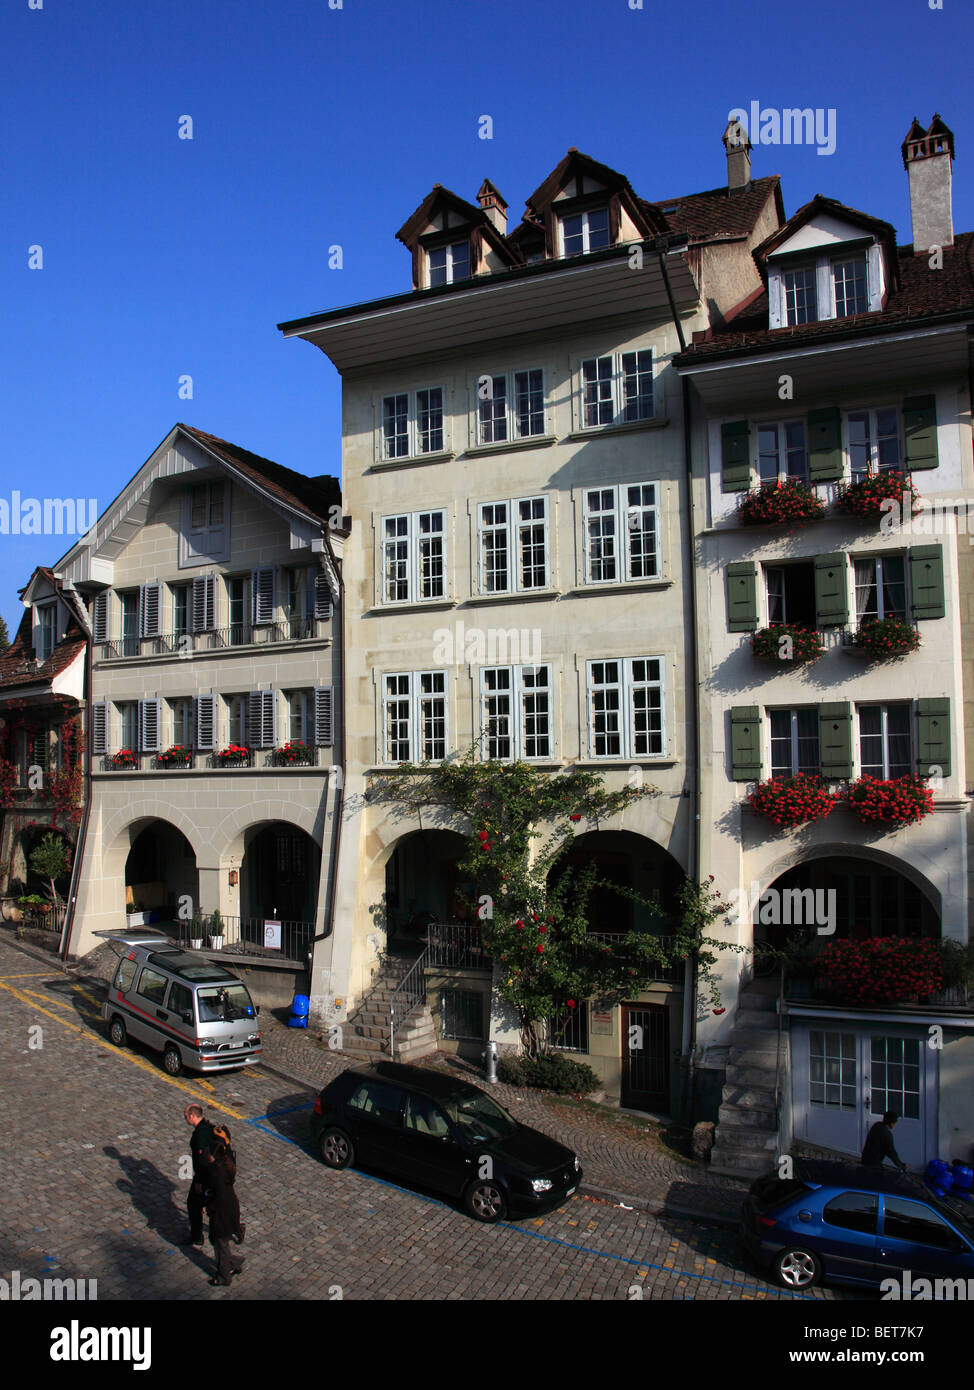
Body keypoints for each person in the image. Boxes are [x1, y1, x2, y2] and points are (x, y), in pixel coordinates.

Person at [205, 1140, 245, 1286]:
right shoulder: (225, 1167)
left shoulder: (217, 1173)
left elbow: (218, 1197)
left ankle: (224, 1276)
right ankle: (234, 1263)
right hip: (230, 1209)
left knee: (220, 1245)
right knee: (221, 1243)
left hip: (222, 1214)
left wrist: (209, 1205)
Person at [182, 1104, 216, 1246]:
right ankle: (237, 1228)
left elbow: (203, 1160)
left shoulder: (200, 1134)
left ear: (192, 1116)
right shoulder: (208, 1127)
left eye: (186, 1116)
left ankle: (196, 1236)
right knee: (214, 1205)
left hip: (204, 1177)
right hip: (212, 1176)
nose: (185, 1119)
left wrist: (199, 1180)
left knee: (193, 1204)